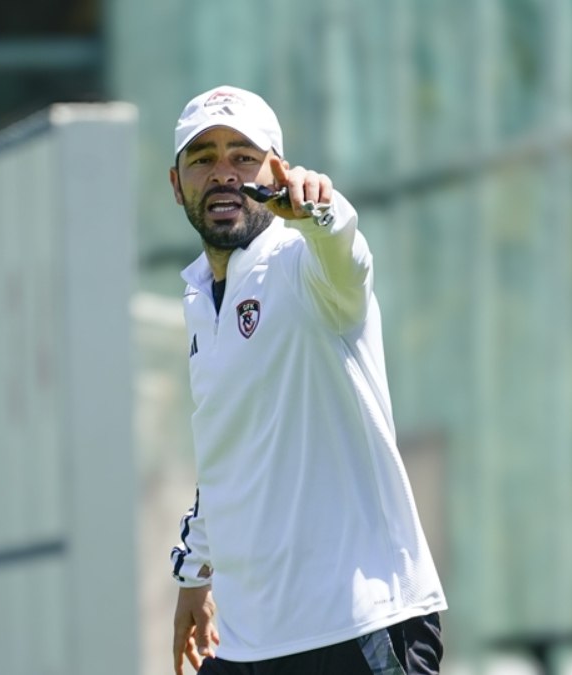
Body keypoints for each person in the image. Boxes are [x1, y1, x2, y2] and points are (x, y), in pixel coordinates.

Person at [166, 85, 448, 675]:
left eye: (244, 156)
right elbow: (224, 451)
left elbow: (348, 258)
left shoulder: (305, 265)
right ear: (177, 184)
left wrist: (323, 211)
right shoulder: (199, 296)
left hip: (356, 627)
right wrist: (195, 574)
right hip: (247, 641)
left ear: (278, 171)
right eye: (203, 158)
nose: (224, 173)